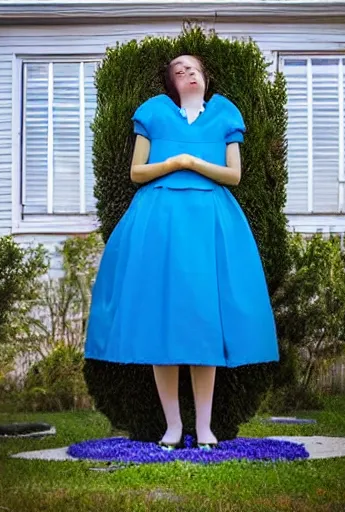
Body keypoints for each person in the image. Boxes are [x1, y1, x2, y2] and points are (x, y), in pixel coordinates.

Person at [85, 54, 279, 450]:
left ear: (206, 77)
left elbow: (234, 175)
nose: (186, 72)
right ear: (171, 84)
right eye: (178, 70)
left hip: (208, 223)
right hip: (159, 224)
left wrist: (192, 162)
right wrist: (174, 161)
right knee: (162, 326)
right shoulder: (153, 115)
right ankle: (173, 427)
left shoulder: (225, 115)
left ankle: (205, 427)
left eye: (192, 68)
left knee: (205, 323)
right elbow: (136, 172)